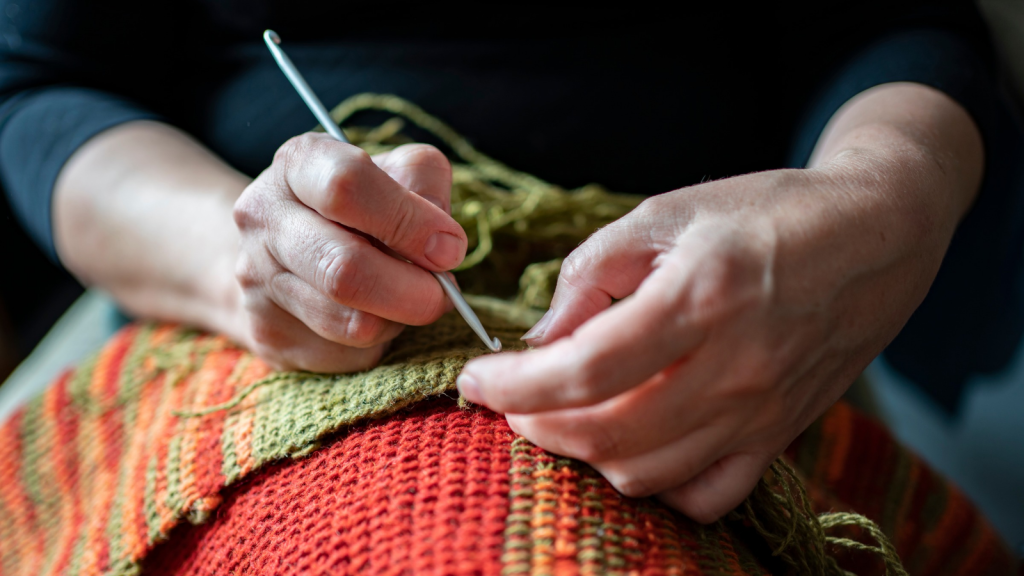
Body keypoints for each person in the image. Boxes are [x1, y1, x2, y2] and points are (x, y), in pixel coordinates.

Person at [1, 1, 1020, 524]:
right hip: (216, 286)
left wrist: (881, 198)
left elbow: (897, 28)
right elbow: (38, 87)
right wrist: (241, 254)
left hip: (747, 312)